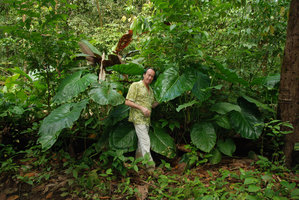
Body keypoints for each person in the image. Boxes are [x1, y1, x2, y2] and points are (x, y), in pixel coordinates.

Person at [125, 68, 159, 171]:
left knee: (141, 144)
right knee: (146, 142)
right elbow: (127, 102)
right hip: (138, 118)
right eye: (148, 75)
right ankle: (150, 168)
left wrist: (162, 100)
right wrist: (141, 108)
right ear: (144, 75)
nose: (150, 77)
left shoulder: (151, 90)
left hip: (147, 120)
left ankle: (138, 164)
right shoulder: (135, 85)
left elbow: (152, 105)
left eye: (152, 76)